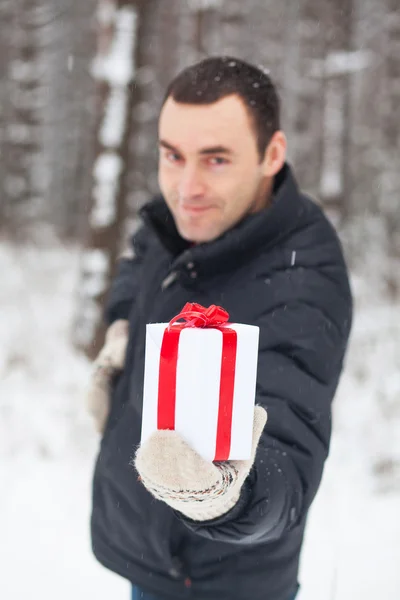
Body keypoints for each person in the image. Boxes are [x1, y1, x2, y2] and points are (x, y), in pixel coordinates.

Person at [87, 56, 353, 600]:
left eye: (215, 159)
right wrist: (120, 333)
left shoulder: (301, 281)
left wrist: (224, 494)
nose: (186, 187)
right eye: (172, 156)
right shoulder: (184, 222)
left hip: (222, 582)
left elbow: (288, 456)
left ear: (271, 155)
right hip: (152, 554)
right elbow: (143, 259)